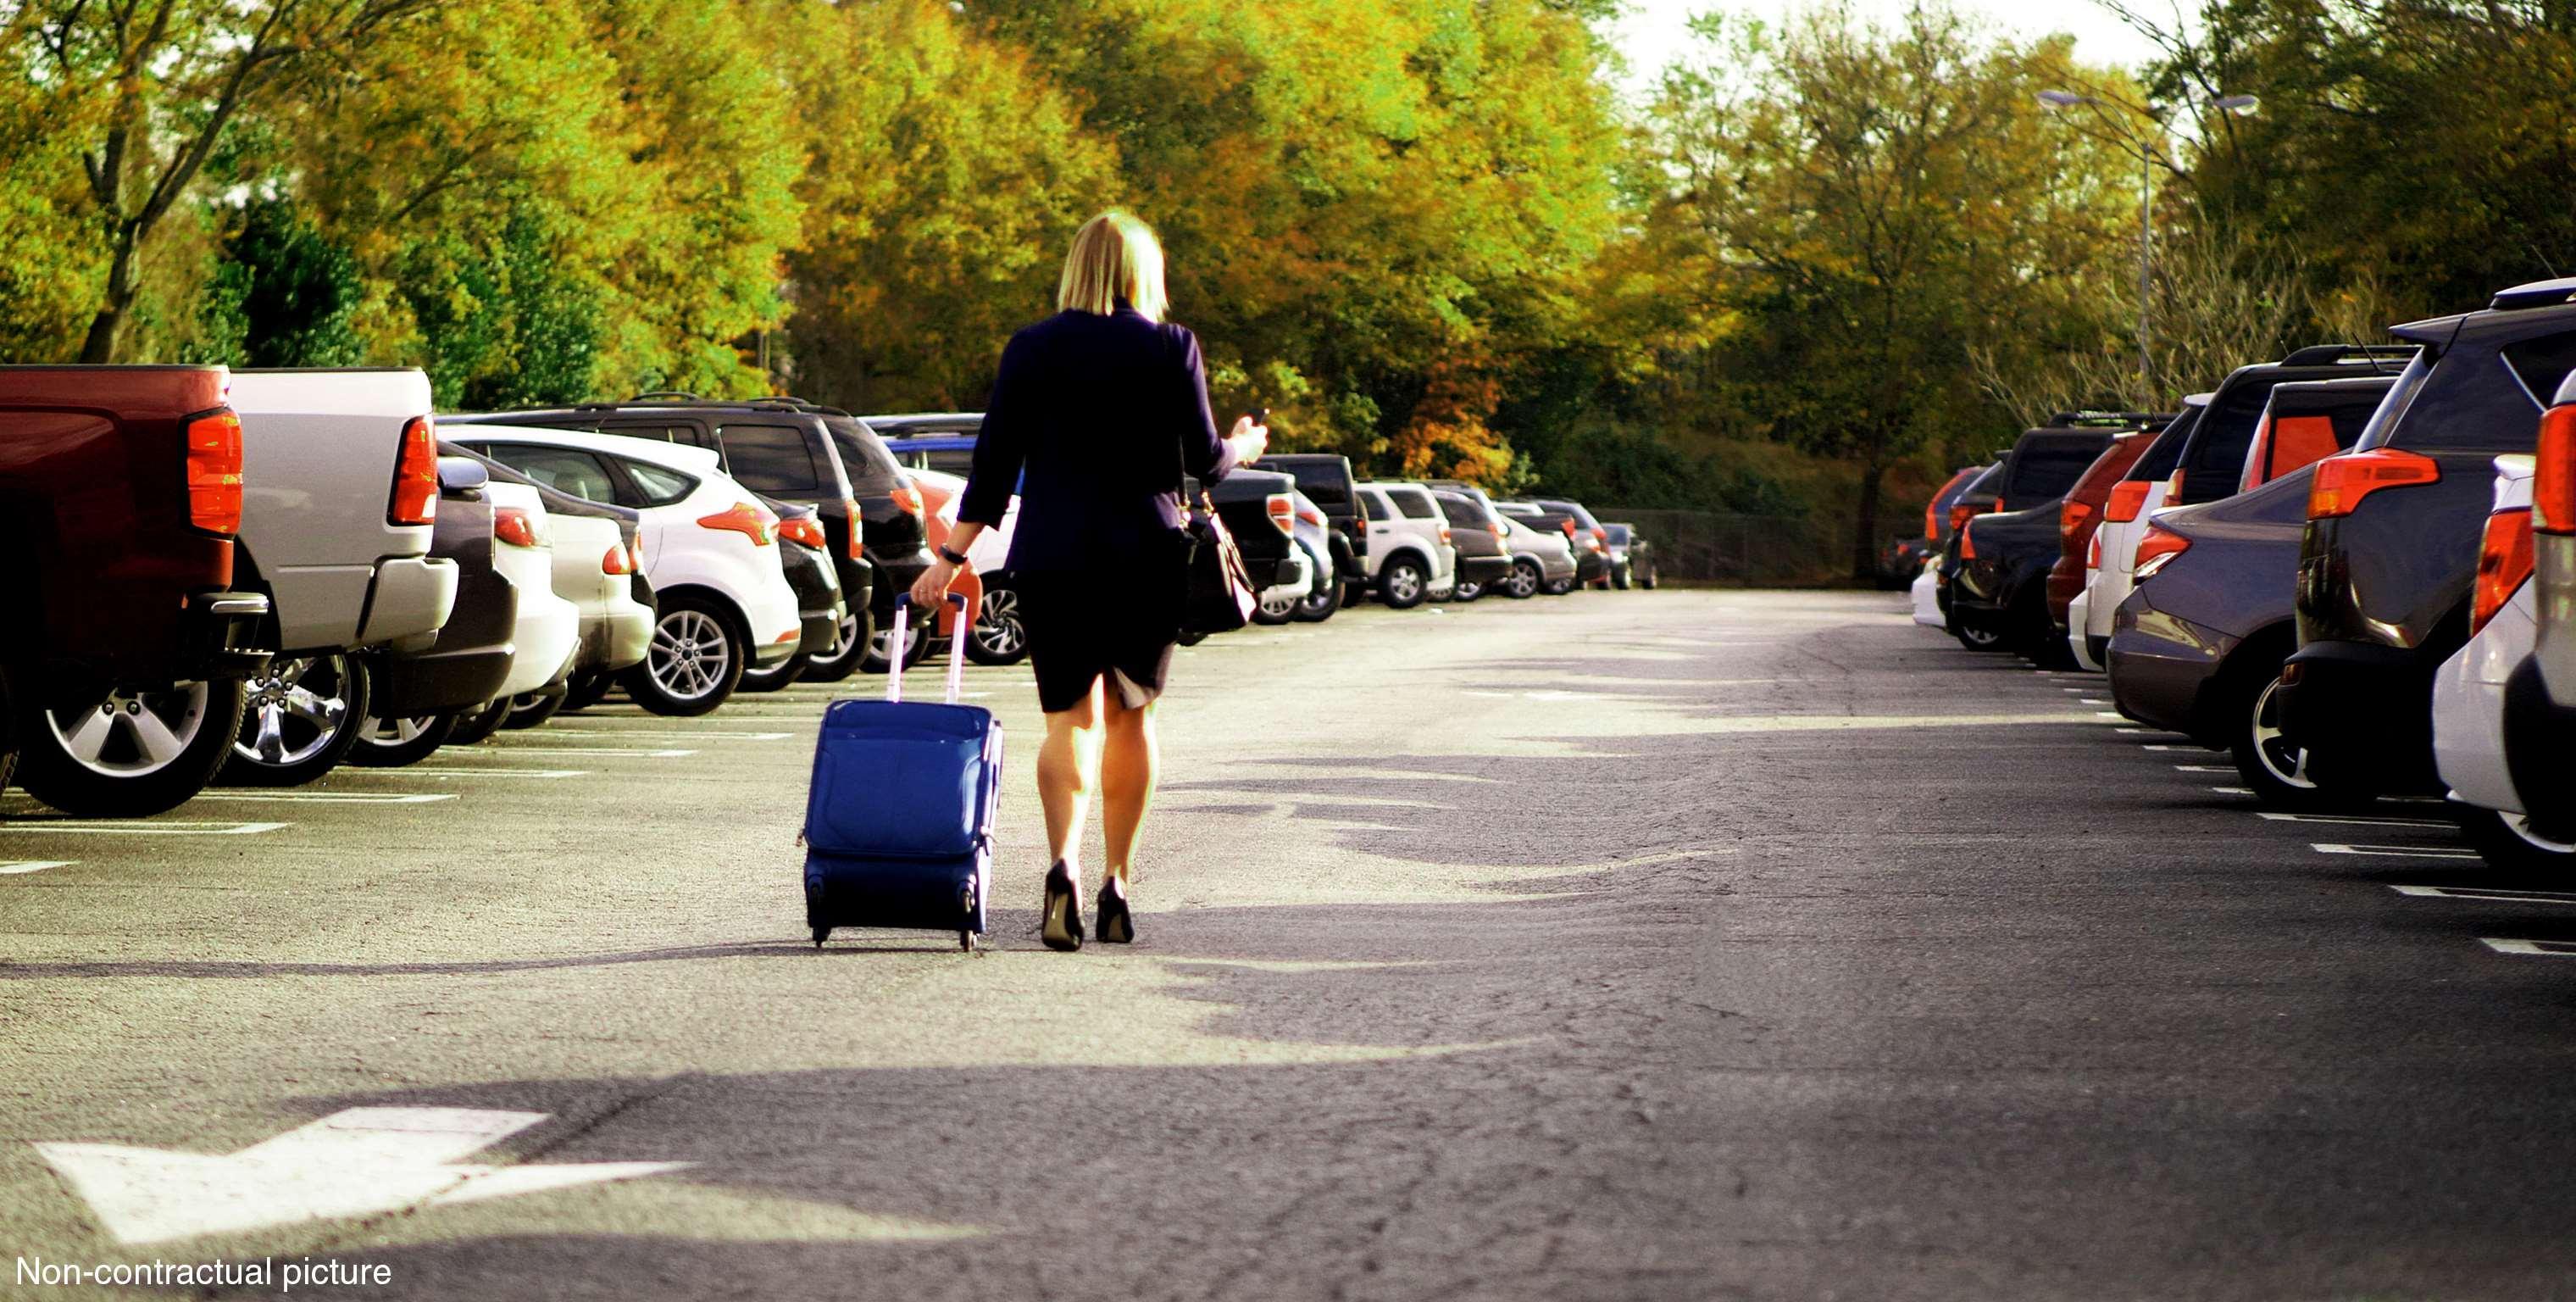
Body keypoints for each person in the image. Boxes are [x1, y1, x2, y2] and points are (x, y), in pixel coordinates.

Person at [912, 209, 1267, 952]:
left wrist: (947, 562)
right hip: (1146, 553)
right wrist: (1244, 445)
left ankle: (1062, 866)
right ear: (1147, 272)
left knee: (1070, 718)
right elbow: (1206, 461)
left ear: (1076, 267)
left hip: (1055, 555)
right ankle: (1116, 882)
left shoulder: (1033, 348)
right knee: (1134, 717)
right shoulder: (1173, 346)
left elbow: (992, 467)